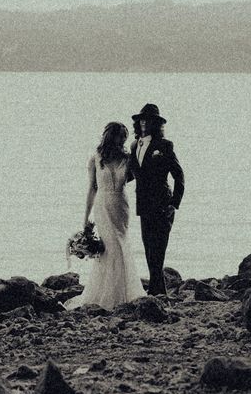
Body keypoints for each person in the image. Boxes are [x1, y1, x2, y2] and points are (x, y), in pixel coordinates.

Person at [76, 122, 139, 309]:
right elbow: (92, 189)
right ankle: (105, 293)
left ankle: (124, 294)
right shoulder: (95, 158)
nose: (123, 140)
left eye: (125, 136)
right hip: (102, 206)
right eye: (120, 135)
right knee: (107, 249)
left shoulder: (128, 159)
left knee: (120, 246)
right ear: (110, 136)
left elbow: (139, 178)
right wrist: (85, 218)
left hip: (121, 205)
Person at [130, 103, 185, 293]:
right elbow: (131, 174)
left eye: (149, 120)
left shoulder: (164, 145)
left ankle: (157, 293)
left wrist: (174, 204)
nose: (144, 122)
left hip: (163, 205)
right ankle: (158, 292)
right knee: (149, 251)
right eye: (142, 119)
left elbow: (179, 175)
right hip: (143, 206)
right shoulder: (134, 145)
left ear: (155, 123)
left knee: (158, 252)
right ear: (139, 122)